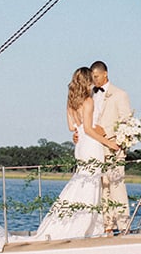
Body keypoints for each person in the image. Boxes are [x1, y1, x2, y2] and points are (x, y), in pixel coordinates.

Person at [36, 66, 119, 241]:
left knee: (81, 182)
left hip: (80, 145)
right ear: (87, 81)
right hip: (91, 145)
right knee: (90, 185)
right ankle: (86, 228)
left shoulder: (71, 101)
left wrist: (79, 131)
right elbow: (88, 129)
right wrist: (109, 143)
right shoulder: (88, 101)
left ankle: (78, 224)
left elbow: (71, 127)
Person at [90, 60, 132, 234]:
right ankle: (107, 225)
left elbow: (126, 121)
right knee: (103, 188)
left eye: (96, 76)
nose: (94, 80)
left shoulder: (119, 94)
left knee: (117, 187)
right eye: (92, 77)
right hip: (95, 147)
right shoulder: (91, 94)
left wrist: (112, 138)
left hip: (113, 146)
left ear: (105, 74)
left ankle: (124, 226)